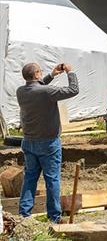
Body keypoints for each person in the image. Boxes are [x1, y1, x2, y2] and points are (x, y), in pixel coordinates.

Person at [16, 62, 79, 223]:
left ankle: (24, 215)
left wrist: (51, 75)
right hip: (49, 143)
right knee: (52, 179)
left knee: (30, 178)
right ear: (37, 74)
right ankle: (54, 217)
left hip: (29, 141)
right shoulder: (46, 91)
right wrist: (70, 73)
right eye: (40, 72)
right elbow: (73, 90)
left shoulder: (21, 91)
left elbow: (38, 89)